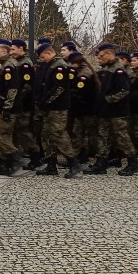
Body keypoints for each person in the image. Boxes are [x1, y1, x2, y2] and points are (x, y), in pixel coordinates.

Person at [32, 43, 82, 178]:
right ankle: (51, 165)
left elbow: (59, 88)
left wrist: (46, 101)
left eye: (43, 57)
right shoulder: (50, 65)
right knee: (46, 135)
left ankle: (74, 164)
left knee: (59, 134)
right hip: (50, 108)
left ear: (48, 53)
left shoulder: (59, 66)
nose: (42, 60)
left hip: (58, 107)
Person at [87, 43, 138, 175]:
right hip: (105, 111)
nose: (100, 58)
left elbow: (124, 90)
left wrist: (108, 100)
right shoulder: (106, 69)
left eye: (101, 55)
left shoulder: (118, 70)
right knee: (102, 136)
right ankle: (101, 163)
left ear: (109, 54)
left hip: (117, 111)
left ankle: (133, 163)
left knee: (122, 137)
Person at [0, 39, 22, 176]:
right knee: (4, 135)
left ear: (4, 51)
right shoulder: (7, 64)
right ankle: (3, 164)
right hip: (5, 106)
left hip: (8, 107)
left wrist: (7, 108)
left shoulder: (9, 66)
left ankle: (15, 157)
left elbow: (12, 89)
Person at [9, 39, 42, 169]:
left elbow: (27, 86)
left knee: (23, 131)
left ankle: (35, 156)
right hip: (20, 104)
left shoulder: (25, 65)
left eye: (13, 49)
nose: (11, 52)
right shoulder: (18, 63)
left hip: (25, 104)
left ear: (21, 49)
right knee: (18, 131)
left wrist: (18, 100)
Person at [67, 52, 100, 163]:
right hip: (80, 109)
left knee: (91, 135)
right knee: (78, 133)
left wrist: (71, 92)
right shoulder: (78, 71)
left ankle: (100, 157)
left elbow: (80, 90)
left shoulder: (85, 73)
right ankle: (77, 156)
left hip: (88, 109)